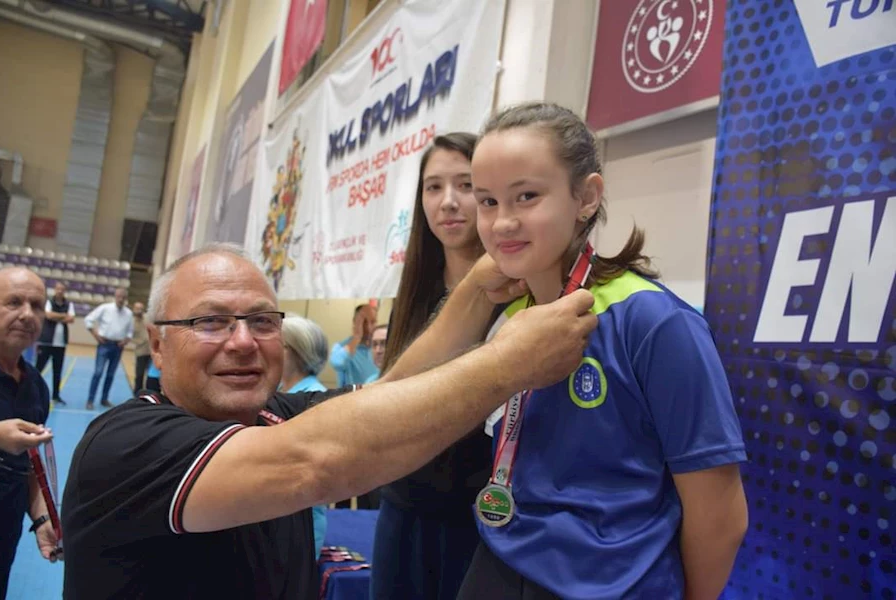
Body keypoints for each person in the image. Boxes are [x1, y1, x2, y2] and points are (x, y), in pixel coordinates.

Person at [61, 243, 597, 599]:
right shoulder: (126, 444)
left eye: (262, 321)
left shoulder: (272, 416)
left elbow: (394, 394)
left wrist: (475, 296)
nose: (243, 341)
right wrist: (507, 365)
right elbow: (314, 464)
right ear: (157, 343)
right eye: (211, 322)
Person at [455, 103, 749, 600]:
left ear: (586, 197)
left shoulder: (654, 323)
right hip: (499, 566)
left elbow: (720, 514)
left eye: (526, 196)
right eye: (487, 202)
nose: (502, 222)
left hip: (615, 585)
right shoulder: (510, 317)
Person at [372, 132, 493, 600]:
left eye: (465, 185)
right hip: (404, 507)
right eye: (433, 187)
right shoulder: (414, 293)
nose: (448, 202)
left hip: (482, 515)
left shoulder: (514, 291)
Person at [0, 267, 62, 600]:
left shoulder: (36, 386)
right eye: (14, 302)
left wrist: (40, 519)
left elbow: (30, 464)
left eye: (36, 305)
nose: (27, 314)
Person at [280, 315, 330, 559]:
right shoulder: (282, 393)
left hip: (300, 530)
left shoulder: (313, 399)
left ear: (297, 352)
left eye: (279, 344)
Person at [84, 287, 133, 409]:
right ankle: (90, 400)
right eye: (119, 297)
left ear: (126, 299)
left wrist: (125, 341)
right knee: (98, 372)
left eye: (123, 297)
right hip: (104, 344)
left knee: (110, 374)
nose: (121, 299)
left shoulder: (129, 313)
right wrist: (95, 335)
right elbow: (88, 320)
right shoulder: (105, 308)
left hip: (118, 346)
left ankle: (104, 399)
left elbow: (130, 332)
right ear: (115, 296)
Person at [35, 281, 75, 405]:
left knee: (57, 371)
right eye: (58, 289)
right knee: (38, 370)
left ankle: (56, 395)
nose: (59, 291)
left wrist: (56, 316)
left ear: (65, 291)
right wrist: (63, 316)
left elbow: (71, 318)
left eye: (62, 289)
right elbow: (48, 315)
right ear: (54, 290)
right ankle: (32, 392)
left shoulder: (69, 304)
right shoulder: (48, 301)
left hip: (60, 344)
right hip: (46, 342)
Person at [329, 304, 378, 386]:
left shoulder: (378, 348)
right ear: (355, 322)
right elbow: (337, 363)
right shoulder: (342, 347)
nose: (369, 327)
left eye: (372, 322)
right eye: (364, 322)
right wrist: (357, 337)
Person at [130, 302, 151, 391]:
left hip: (151, 352)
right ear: (133, 309)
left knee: (151, 376)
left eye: (141, 308)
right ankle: (137, 395)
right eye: (137, 308)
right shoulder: (131, 321)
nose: (139, 311)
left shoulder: (148, 318)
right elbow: (128, 336)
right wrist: (140, 342)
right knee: (139, 375)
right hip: (140, 352)